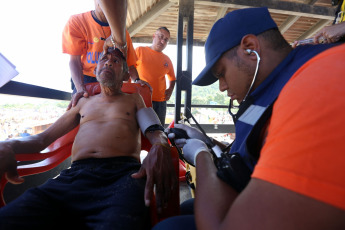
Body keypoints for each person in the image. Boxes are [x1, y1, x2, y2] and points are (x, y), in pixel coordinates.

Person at [155, 7, 345, 229]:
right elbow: (255, 154)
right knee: (186, 209)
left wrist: (201, 155)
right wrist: (208, 142)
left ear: (250, 48)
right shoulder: (275, 85)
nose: (222, 87)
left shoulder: (316, 85)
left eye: (221, 73)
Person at [0, 48, 177, 229]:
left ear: (125, 75)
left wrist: (160, 144)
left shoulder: (134, 99)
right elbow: (41, 140)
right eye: (104, 59)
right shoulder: (82, 103)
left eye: (116, 61)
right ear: (95, 70)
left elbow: (154, 129)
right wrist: (8, 144)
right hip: (74, 177)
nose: (108, 62)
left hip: (123, 176)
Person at [62, 0, 142, 109]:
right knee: (83, 111)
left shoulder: (122, 33)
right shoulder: (77, 21)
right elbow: (74, 60)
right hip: (85, 79)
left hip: (113, 80)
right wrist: (80, 89)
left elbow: (129, 63)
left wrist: (137, 80)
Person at [135, 27, 176, 125]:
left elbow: (172, 78)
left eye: (166, 40)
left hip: (161, 102)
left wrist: (170, 89)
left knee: (159, 131)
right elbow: (128, 70)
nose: (162, 41)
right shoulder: (140, 50)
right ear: (154, 36)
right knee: (139, 131)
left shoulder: (167, 59)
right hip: (142, 99)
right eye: (161, 37)